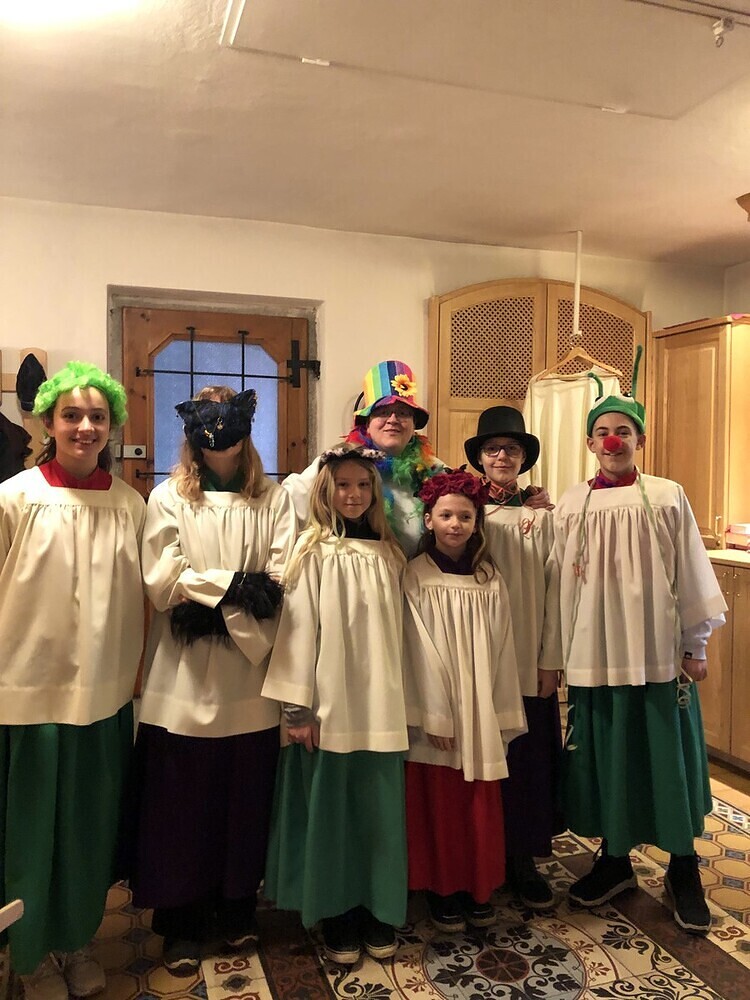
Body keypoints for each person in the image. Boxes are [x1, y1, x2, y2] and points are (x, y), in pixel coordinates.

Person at [552, 355, 727, 935]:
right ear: (589, 443)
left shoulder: (668, 495)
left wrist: (696, 643)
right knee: (609, 757)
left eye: (623, 431)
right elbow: (556, 581)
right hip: (594, 654)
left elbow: (693, 569)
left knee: (666, 758)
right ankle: (615, 858)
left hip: (657, 654)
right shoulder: (570, 503)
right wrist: (556, 655)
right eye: (603, 431)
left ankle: (683, 866)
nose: (612, 440)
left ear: (640, 440)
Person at [129, 387, 295, 974]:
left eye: (230, 424)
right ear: (193, 432)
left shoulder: (272, 497)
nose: (219, 436)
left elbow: (282, 572)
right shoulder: (168, 496)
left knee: (243, 798)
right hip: (183, 672)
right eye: (208, 423)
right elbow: (163, 577)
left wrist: (215, 599)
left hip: (250, 676)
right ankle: (180, 917)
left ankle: (236, 906)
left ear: (245, 430)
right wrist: (235, 592)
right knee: (182, 801)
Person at [0, 362, 146, 1000]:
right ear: (48, 422)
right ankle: (29, 954)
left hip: (103, 695)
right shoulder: (14, 497)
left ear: (112, 425)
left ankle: (78, 939)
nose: (85, 427)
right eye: (72, 415)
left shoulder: (130, 505)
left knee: (89, 828)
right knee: (32, 832)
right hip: (28, 692)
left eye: (97, 417)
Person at [262, 444, 408, 966]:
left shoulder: (391, 554)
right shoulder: (312, 551)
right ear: (326, 491)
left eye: (363, 485)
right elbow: (297, 631)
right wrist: (297, 710)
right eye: (343, 485)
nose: (353, 494)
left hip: (382, 704)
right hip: (331, 705)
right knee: (334, 812)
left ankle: (376, 905)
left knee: (376, 814)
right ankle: (337, 910)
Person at [403, 470, 527, 933]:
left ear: (477, 523)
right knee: (439, 804)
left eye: (465, 516)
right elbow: (413, 649)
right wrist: (434, 712)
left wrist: (497, 710)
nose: (455, 524)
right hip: (437, 710)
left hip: (478, 708)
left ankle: (477, 885)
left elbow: (503, 646)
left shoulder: (489, 578)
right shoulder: (415, 575)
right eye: (446, 516)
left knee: (476, 802)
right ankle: (441, 889)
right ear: (429, 520)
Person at [283, 359, 552, 556]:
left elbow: (470, 499)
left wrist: (522, 502)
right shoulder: (339, 463)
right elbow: (288, 500)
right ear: (367, 422)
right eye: (383, 412)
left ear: (413, 424)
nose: (393, 420)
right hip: (360, 579)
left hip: (419, 583)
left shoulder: (433, 469)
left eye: (403, 413)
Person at [464, 407, 563, 911]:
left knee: (525, 764)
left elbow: (556, 593)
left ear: (524, 459)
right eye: (492, 449)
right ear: (480, 458)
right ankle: (475, 861)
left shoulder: (542, 518)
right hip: (476, 659)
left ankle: (523, 859)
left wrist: (550, 660)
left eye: (512, 449)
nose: (502, 456)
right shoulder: (461, 513)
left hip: (526, 661)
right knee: (478, 765)